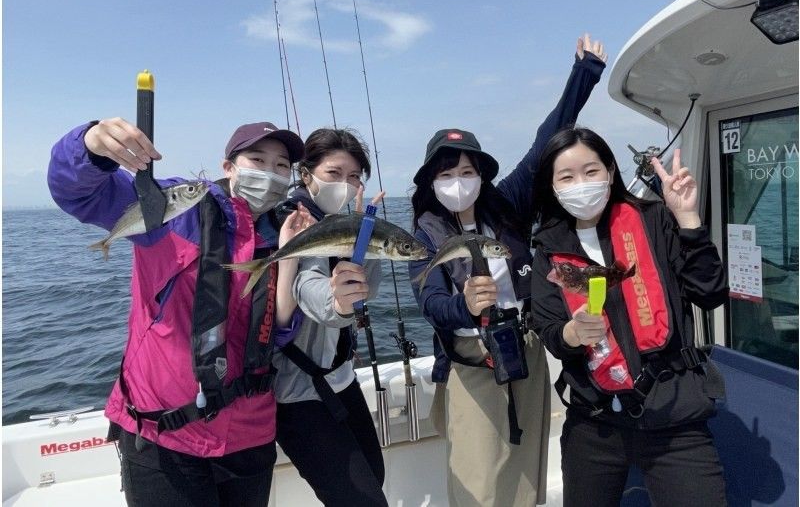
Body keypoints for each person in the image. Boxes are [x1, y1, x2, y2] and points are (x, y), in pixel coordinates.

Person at [47, 118, 314, 507]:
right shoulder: (177, 207)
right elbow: (79, 194)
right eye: (257, 159)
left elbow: (275, 333)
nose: (270, 174)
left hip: (250, 437)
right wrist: (89, 146)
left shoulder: (283, 230)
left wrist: (293, 261)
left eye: (280, 166)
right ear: (229, 167)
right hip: (162, 437)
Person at [408, 34, 607, 507]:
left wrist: (584, 73)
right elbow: (430, 300)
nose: (459, 182)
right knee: (478, 479)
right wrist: (462, 305)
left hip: (528, 349)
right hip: (473, 363)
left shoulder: (509, 203)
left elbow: (547, 140)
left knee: (525, 468)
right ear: (431, 181)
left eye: (467, 170)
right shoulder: (422, 233)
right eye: (446, 173)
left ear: (482, 173)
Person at [529, 126, 728, 507]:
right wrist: (572, 333)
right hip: (594, 423)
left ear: (610, 171)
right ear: (552, 187)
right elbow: (551, 331)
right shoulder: (548, 249)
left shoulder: (653, 219)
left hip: (675, 417)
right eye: (566, 176)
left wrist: (688, 219)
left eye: (591, 171)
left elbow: (710, 293)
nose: (581, 184)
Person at [271, 127, 388, 507]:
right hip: (297, 392)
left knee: (375, 476)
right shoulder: (298, 219)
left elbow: (368, 290)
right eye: (334, 174)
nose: (347, 183)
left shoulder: (350, 221)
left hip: (339, 377)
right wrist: (337, 304)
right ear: (307, 176)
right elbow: (308, 283)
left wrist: (363, 246)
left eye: (355, 176)